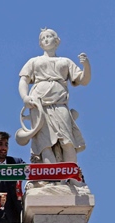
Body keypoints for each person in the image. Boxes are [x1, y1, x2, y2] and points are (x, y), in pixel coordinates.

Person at [18, 28, 90, 164]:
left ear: (57, 41)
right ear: (40, 44)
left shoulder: (65, 61)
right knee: (44, 144)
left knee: (67, 141)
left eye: (49, 36)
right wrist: (25, 97)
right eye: (42, 38)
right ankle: (51, 177)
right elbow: (23, 80)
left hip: (60, 104)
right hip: (39, 105)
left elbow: (83, 80)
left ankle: (71, 176)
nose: (45, 39)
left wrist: (86, 65)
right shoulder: (34, 61)